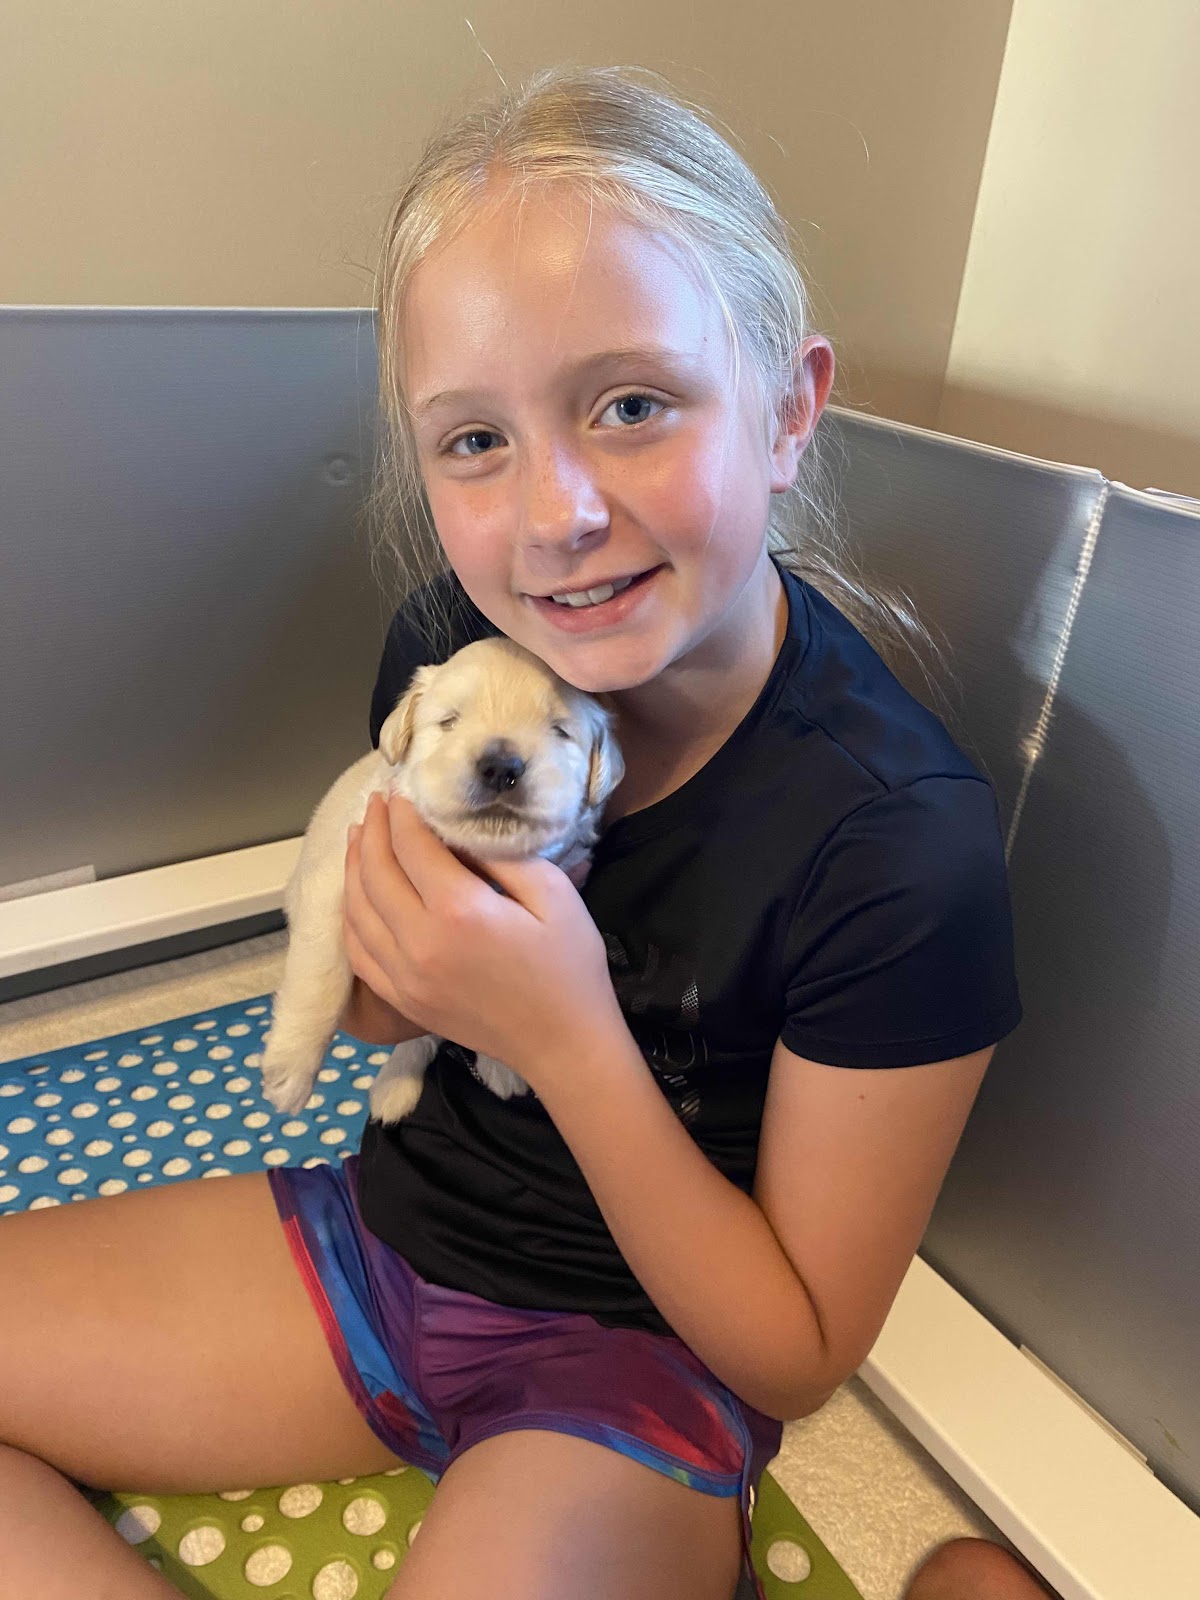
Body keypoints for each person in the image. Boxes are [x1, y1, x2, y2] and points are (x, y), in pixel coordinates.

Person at [0, 65, 1054, 1600]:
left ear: (788, 410)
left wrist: (565, 1034)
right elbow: (386, 1019)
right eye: (475, 441)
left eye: (632, 405)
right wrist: (388, 961)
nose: (556, 512)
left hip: (642, 1357)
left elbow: (800, 1350)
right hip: (389, 1246)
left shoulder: (898, 845)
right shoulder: (450, 649)